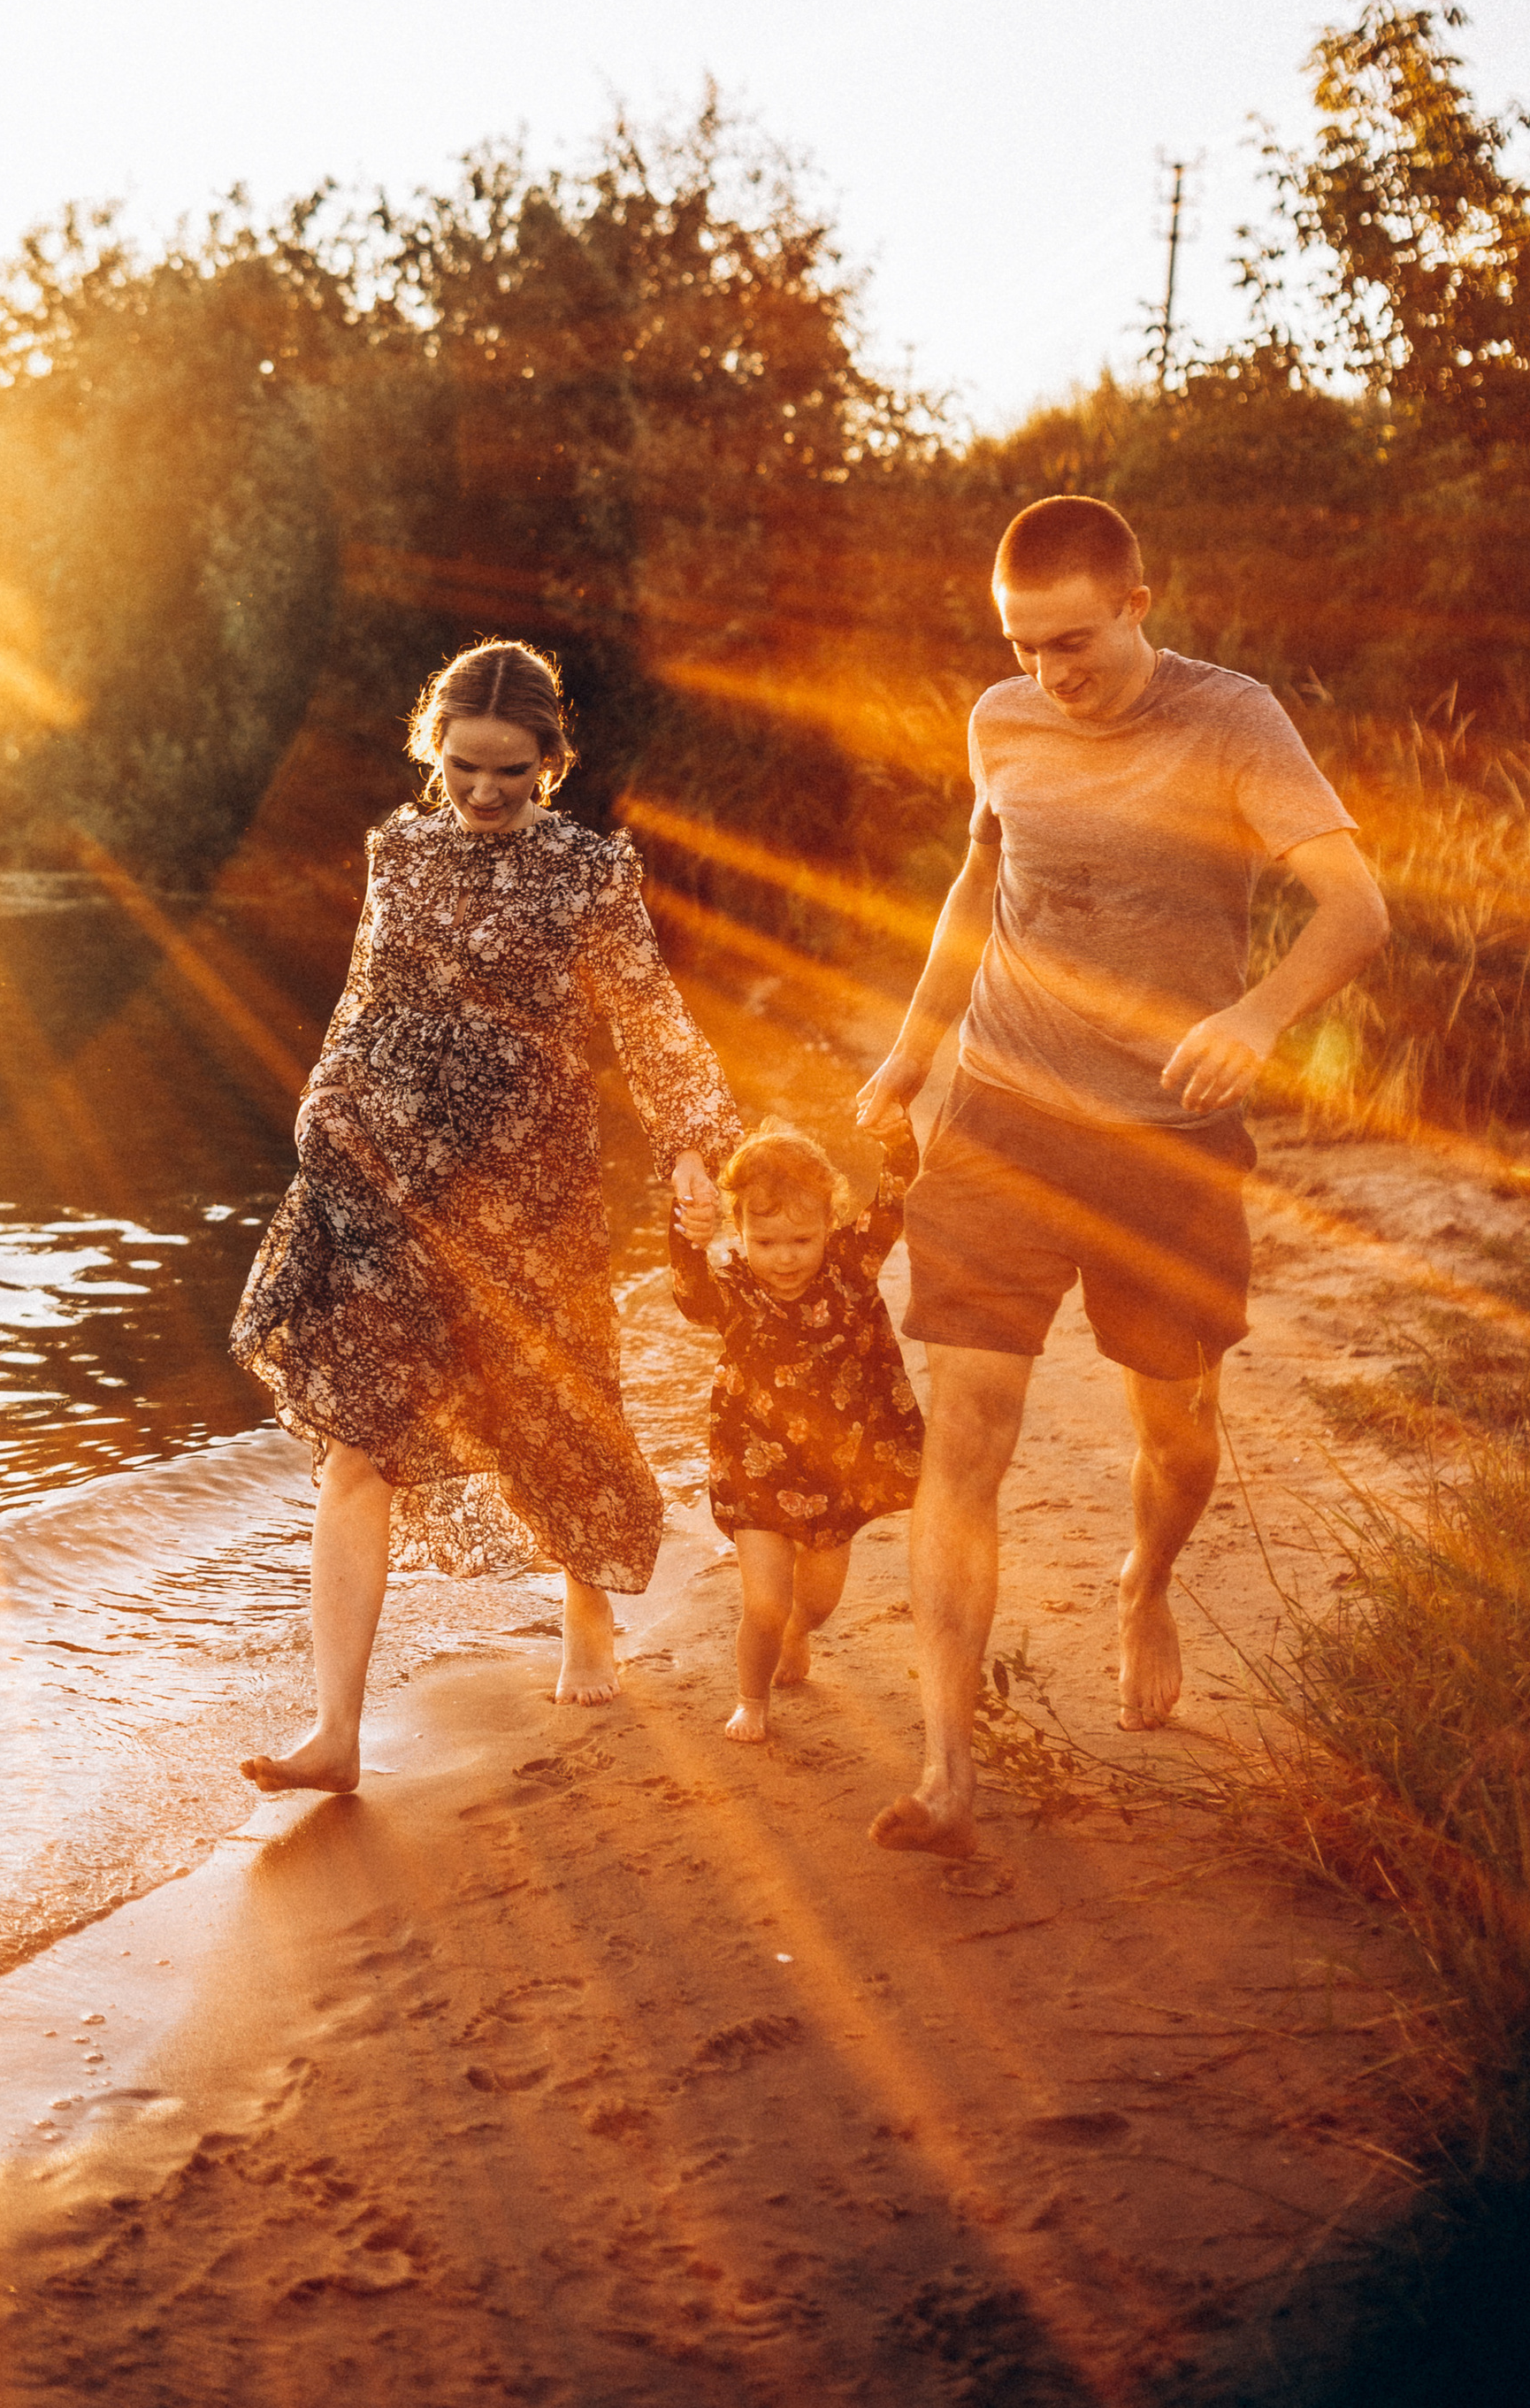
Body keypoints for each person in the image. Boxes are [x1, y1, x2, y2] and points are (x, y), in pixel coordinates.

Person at [859, 495, 1389, 1858]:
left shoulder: (1235, 719)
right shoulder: (1001, 721)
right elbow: (981, 887)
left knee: (1178, 1429)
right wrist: (910, 1058)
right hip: (1003, 1113)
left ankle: (1144, 1578)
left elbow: (1356, 905)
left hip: (1165, 1137)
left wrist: (1259, 1017)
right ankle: (946, 1763)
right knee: (966, 1430)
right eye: (1024, 645)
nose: (1051, 673)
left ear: (1140, 602)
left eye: (1074, 640)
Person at [232, 637, 743, 1793]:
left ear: (553, 760)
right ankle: (335, 1730)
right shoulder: (399, 854)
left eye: (512, 769)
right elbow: (371, 1000)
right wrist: (328, 1117)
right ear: (435, 749)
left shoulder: (588, 871)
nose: (484, 790)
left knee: (557, 1413)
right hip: (398, 1178)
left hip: (536, 1187)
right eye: (465, 765)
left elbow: (649, 1018)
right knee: (358, 1444)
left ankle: (587, 1613)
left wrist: (692, 1149)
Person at [670, 1114, 923, 1745]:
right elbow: (689, 1294)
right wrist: (684, 1236)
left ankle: (798, 1634)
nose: (784, 1258)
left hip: (834, 1467)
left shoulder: (851, 1267)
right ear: (742, 1232)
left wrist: (894, 1132)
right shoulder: (735, 1291)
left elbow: (896, 1192)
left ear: (829, 1225)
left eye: (802, 1240)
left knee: (816, 1602)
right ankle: (750, 1700)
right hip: (756, 1467)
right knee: (764, 1602)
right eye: (766, 1242)